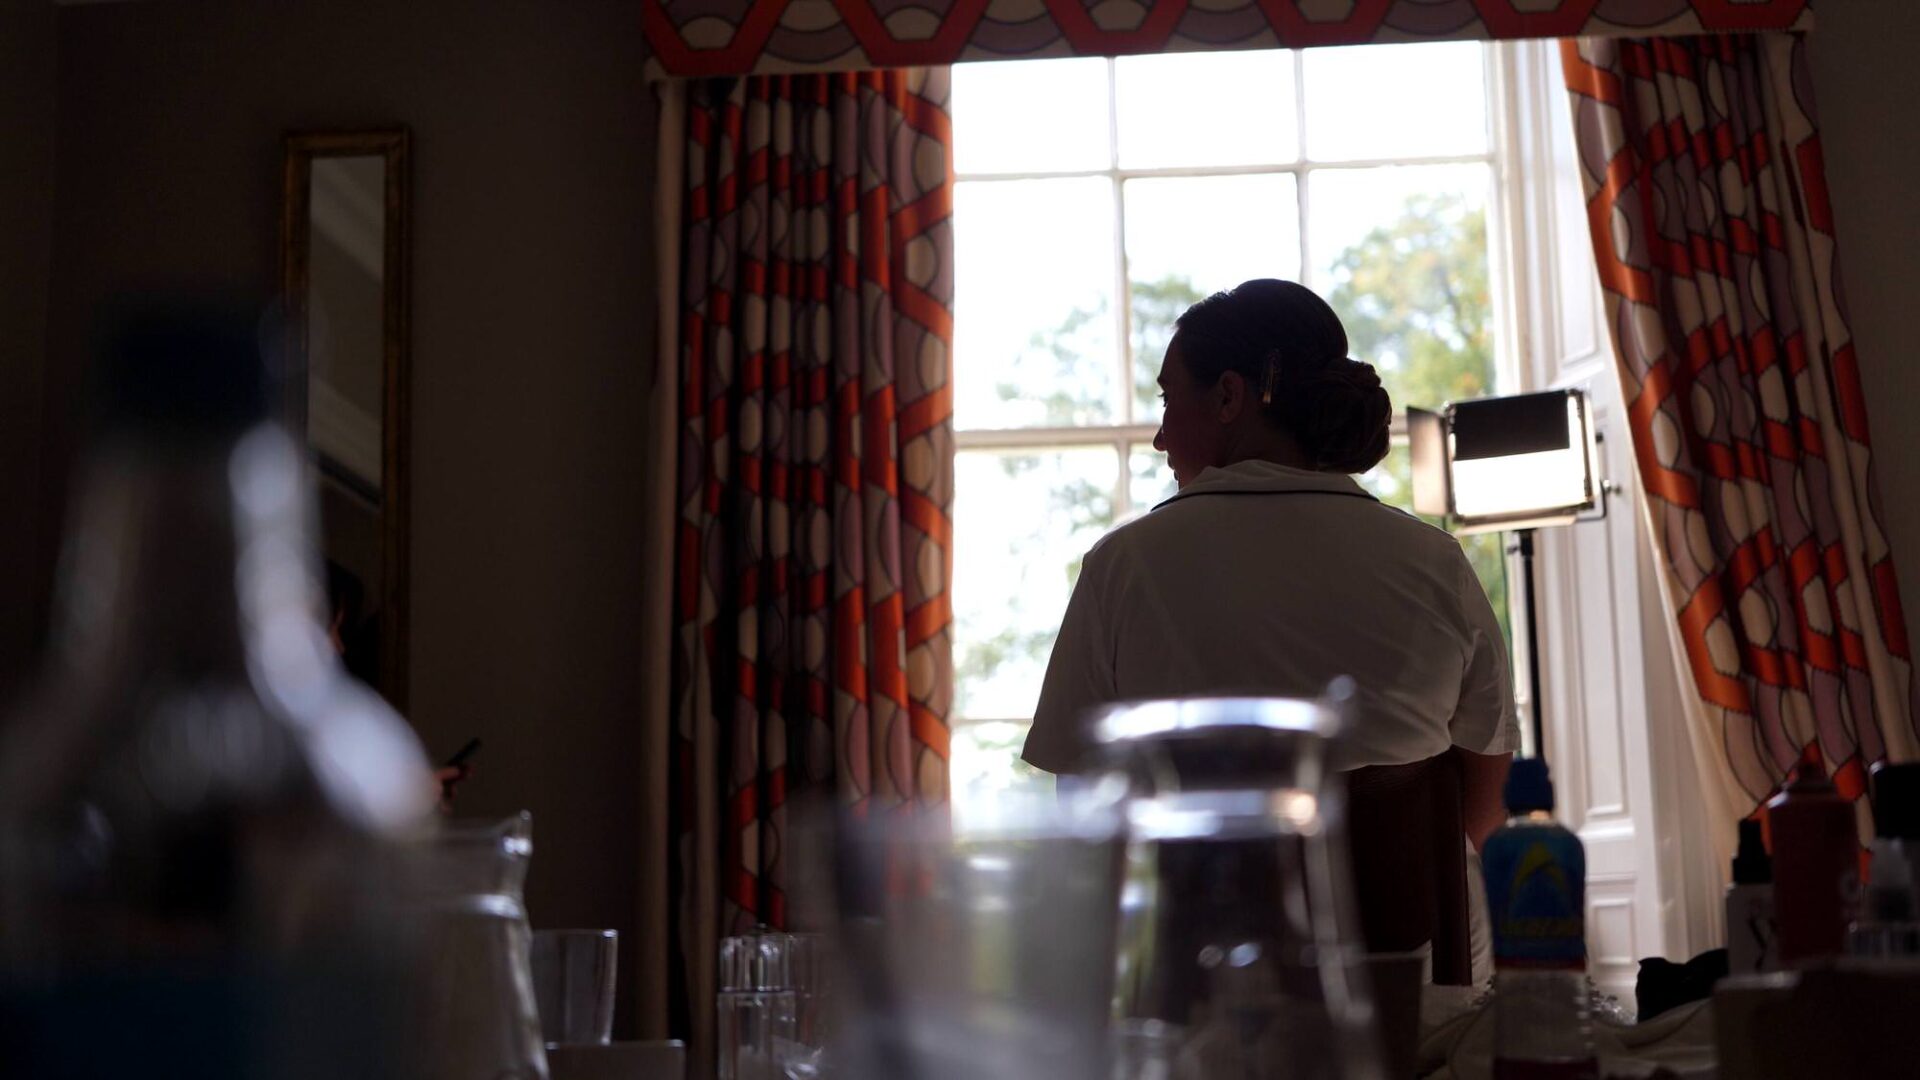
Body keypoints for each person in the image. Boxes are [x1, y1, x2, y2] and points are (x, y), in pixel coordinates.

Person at [1020, 278, 1518, 852]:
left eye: (1166, 400)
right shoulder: (1437, 564)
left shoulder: (1123, 566)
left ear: (1229, 396)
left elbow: (1084, 803)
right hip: (1418, 938)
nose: (1159, 439)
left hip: (1202, 938)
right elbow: (1486, 800)